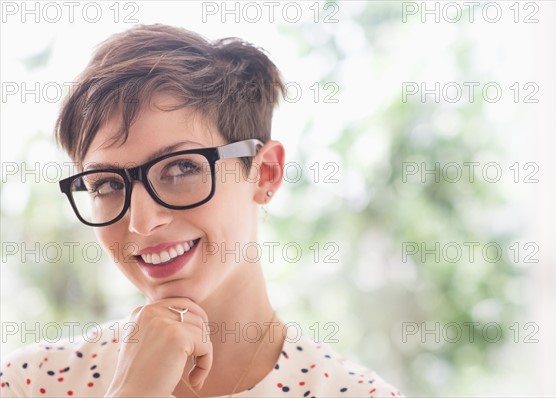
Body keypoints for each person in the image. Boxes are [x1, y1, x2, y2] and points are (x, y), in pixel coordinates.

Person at [0, 24, 401, 397]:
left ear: (265, 174)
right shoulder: (27, 382)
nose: (141, 221)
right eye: (107, 183)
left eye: (180, 168)